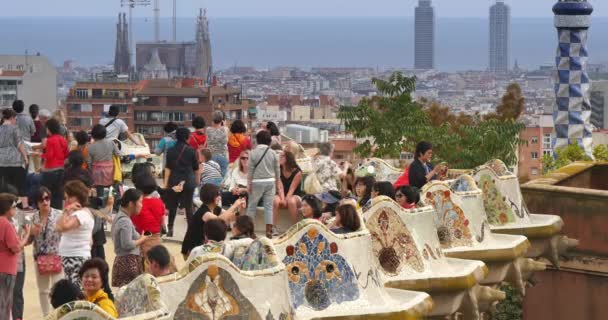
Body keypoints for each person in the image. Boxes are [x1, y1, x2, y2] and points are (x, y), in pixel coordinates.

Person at [182, 184, 243, 260]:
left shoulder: (216, 208)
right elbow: (220, 221)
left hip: (203, 247)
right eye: (217, 196)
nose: (220, 198)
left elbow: (231, 217)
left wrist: (239, 209)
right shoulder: (204, 212)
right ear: (210, 196)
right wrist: (234, 205)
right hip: (191, 248)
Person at [28, 187, 64, 316]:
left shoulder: (59, 214)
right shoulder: (34, 217)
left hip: (56, 256)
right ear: (37, 202)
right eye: (41, 199)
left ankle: (58, 315)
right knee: (43, 290)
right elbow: (28, 240)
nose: (45, 202)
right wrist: (31, 232)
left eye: (47, 198)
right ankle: (46, 315)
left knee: (57, 288)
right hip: (40, 258)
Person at [56, 180, 95, 287]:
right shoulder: (80, 213)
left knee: (75, 291)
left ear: (77, 196)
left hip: (75, 256)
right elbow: (58, 227)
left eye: (69, 197)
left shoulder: (81, 214)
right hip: (72, 255)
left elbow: (62, 227)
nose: (67, 200)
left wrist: (65, 211)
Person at [0, 193, 30, 320]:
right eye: (13, 206)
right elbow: (16, 247)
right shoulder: (6, 224)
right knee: (4, 304)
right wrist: (27, 234)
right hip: (6, 269)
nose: (15, 209)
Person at [164, 128, 199, 236]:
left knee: (172, 206)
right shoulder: (191, 150)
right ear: (186, 137)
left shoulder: (170, 151)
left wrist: (165, 184)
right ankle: (191, 231)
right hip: (188, 182)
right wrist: (196, 181)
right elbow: (196, 168)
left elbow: (168, 168)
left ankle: (170, 230)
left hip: (174, 181)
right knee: (189, 207)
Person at [247, 130, 282, 238]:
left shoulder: (253, 153)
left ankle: (250, 232)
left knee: (252, 206)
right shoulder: (273, 153)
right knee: (268, 207)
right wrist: (277, 183)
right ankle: (269, 231)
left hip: (256, 182)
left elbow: (250, 170)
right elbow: (277, 170)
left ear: (257, 140)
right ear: (269, 141)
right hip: (270, 182)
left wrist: (249, 183)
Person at [111, 188, 147, 288]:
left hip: (125, 262)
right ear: (131, 204)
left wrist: (142, 236)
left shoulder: (121, 217)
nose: (141, 205)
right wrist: (142, 239)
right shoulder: (125, 221)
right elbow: (127, 244)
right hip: (128, 263)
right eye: (140, 202)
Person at [0, 109, 30, 208]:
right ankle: (23, 207)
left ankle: (5, 207)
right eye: (15, 119)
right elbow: (19, 144)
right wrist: (25, 157)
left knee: (4, 187)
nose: (15, 121)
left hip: (2, 162)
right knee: (20, 185)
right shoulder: (15, 128)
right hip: (15, 161)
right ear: (12, 118)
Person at [133, 174, 165, 258]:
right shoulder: (159, 202)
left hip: (141, 239)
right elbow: (163, 223)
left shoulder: (136, 204)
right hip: (157, 239)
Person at [41, 118, 69, 209]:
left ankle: (49, 211)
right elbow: (66, 154)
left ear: (49, 129)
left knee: (48, 193)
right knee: (58, 193)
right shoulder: (62, 139)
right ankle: (58, 210)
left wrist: (41, 155)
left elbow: (49, 156)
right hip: (61, 169)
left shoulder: (50, 140)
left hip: (50, 170)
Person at [88, 124, 121, 201]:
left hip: (97, 171)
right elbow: (118, 154)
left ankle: (100, 203)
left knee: (100, 188)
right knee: (112, 187)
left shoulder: (91, 147)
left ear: (93, 135)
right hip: (110, 169)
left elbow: (89, 162)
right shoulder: (111, 143)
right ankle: (113, 201)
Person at [273, 151, 302, 227]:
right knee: (275, 201)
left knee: (291, 202)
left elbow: (292, 189)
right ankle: (273, 228)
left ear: (288, 158)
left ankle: (295, 227)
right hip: (281, 194)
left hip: (295, 195)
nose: (279, 158)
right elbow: (280, 187)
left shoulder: (297, 171)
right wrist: (283, 199)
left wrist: (286, 200)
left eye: (282, 156)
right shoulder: (278, 169)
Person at [206, 111, 229, 177]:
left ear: (213, 119)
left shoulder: (208, 130)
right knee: (223, 178)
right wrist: (224, 124)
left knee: (212, 176)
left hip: (211, 156)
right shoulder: (225, 129)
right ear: (222, 120)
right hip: (223, 156)